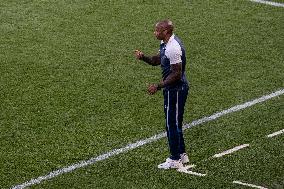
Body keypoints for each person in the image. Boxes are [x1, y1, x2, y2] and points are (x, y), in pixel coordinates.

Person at [134, 19, 189, 169]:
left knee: (171, 124)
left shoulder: (173, 48)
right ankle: (182, 154)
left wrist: (158, 86)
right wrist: (143, 57)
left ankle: (175, 159)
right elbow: (157, 60)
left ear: (165, 32)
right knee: (175, 123)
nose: (154, 32)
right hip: (173, 89)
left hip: (176, 90)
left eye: (157, 30)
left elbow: (177, 74)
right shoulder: (166, 43)